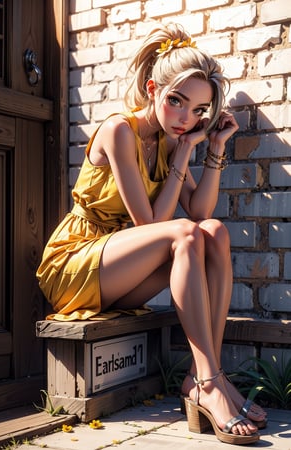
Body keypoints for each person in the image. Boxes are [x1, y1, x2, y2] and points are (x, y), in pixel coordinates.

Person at [36, 23, 266, 445]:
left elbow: (200, 212)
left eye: (199, 111)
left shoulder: (169, 140)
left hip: (120, 270)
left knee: (212, 232)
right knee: (184, 235)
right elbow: (151, 226)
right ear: (152, 88)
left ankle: (205, 378)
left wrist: (212, 149)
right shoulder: (119, 130)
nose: (187, 119)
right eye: (177, 102)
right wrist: (184, 152)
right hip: (77, 262)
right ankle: (210, 384)